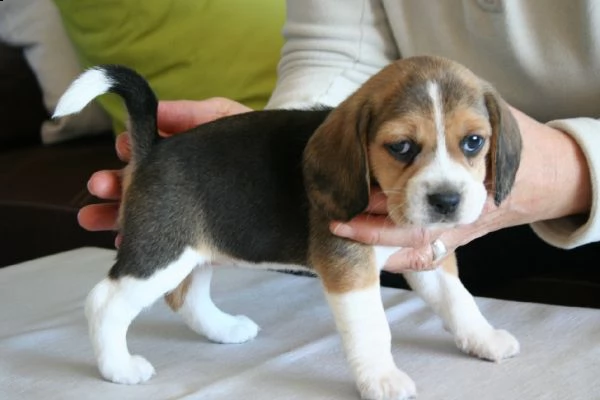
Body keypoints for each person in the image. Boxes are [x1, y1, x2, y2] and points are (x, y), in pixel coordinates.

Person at [80, 1, 599, 301]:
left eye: (471, 142)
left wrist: (568, 170)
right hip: (401, 199)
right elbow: (334, 45)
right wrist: (278, 149)